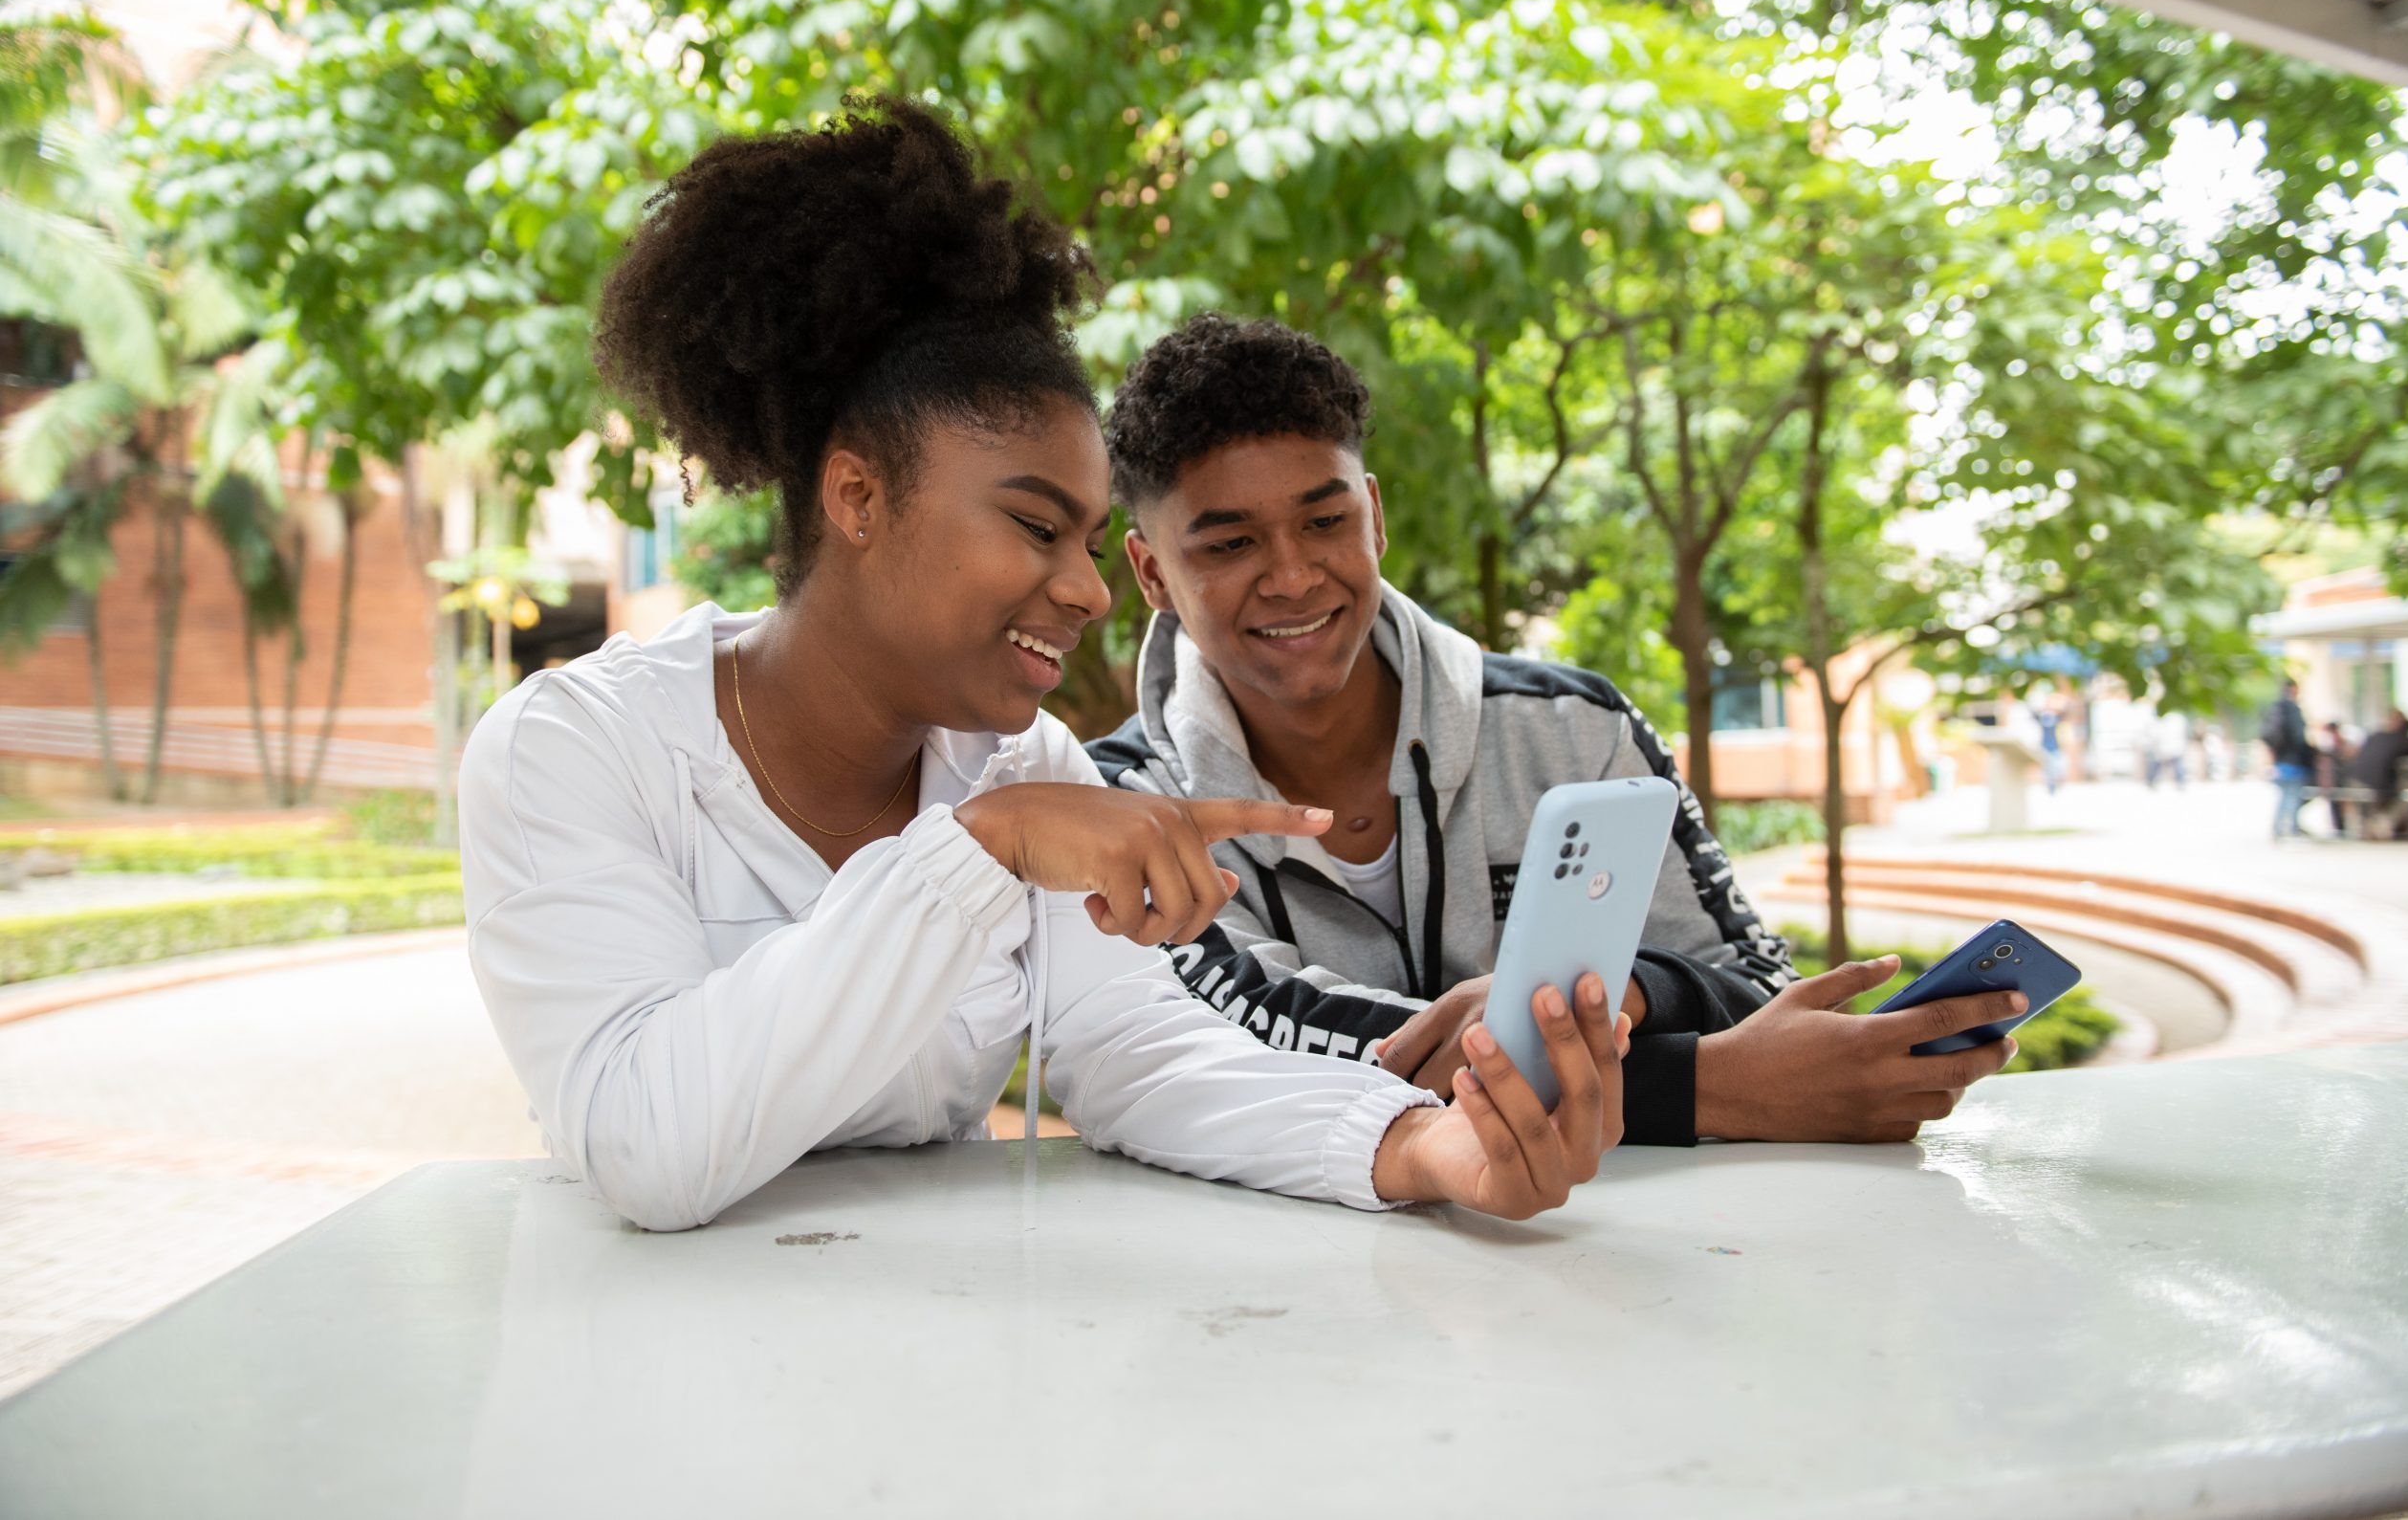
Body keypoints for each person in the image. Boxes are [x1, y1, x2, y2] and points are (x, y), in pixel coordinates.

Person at [457, 103, 1630, 1232]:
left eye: (1086, 538)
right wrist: (977, 848)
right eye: (1034, 527)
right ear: (857, 496)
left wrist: (1423, 1146)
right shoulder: (577, 747)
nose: (1084, 587)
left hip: (939, 1367)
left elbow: (1138, 1053)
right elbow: (645, 1143)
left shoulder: (1021, 760)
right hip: (654, 1381)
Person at [1086, 314, 2024, 1147]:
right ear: (1152, 572)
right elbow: (1258, 1055)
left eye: (1322, 519)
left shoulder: (1574, 729)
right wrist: (1713, 1085)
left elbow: (1747, 979)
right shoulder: (1123, 805)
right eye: (1229, 543)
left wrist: (1625, 992)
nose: (1291, 575)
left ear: (1371, 515)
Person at [2348, 710, 2408, 840]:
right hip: (2380, 788)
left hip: (2355, 781)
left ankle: (2368, 828)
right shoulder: (2403, 740)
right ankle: (2384, 825)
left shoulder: (2373, 736)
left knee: (2372, 802)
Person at [2261, 679, 2315, 839]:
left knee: (2285, 795)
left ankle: (2279, 829)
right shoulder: (2292, 709)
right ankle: (2291, 829)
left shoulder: (2276, 708)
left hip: (2280, 760)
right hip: (2294, 760)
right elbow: (2299, 738)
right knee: (2292, 795)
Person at [2317, 720, 2356, 837]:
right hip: (2333, 778)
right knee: (2335, 804)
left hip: (2339, 777)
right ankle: (2338, 828)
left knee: (2340, 804)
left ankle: (2341, 828)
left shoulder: (2337, 743)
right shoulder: (2327, 745)